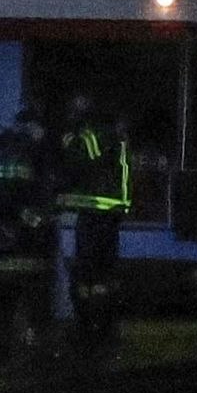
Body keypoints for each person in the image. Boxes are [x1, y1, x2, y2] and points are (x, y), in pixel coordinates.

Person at [53, 93, 130, 354]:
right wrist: (123, 206)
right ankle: (107, 329)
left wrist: (67, 144)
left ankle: (86, 329)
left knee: (85, 276)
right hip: (109, 214)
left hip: (90, 214)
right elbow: (122, 170)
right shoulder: (113, 138)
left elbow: (77, 167)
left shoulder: (85, 138)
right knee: (105, 276)